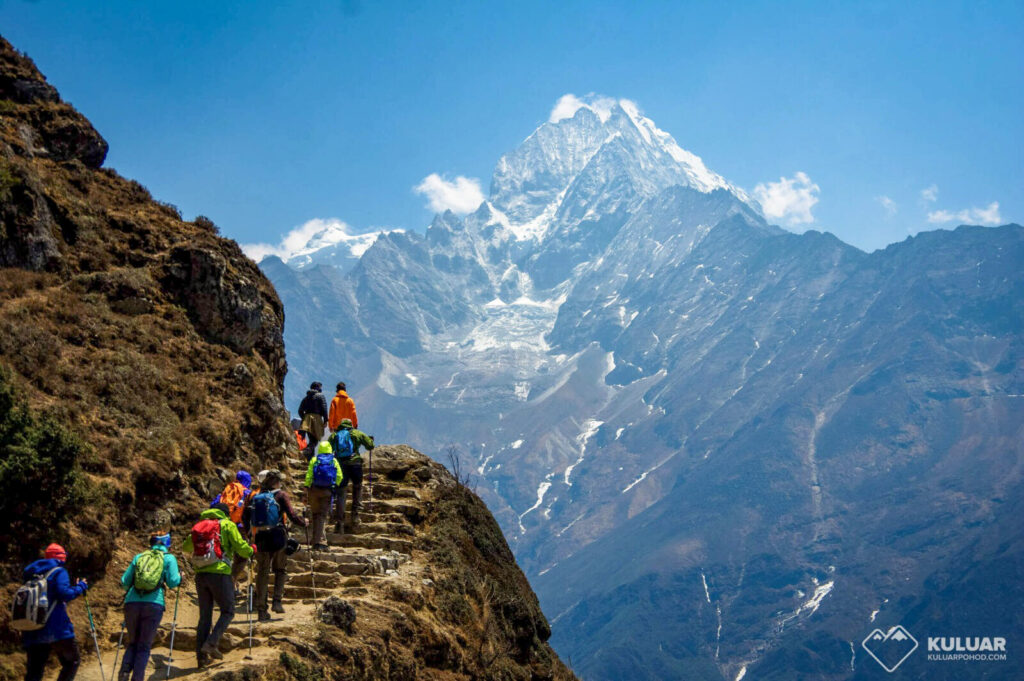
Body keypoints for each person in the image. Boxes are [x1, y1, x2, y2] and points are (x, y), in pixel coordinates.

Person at [182, 503, 255, 667]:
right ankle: (211, 643)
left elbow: (186, 546)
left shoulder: (199, 526)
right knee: (228, 611)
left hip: (200, 575)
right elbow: (240, 548)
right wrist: (251, 550)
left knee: (204, 617)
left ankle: (201, 658)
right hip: (220, 573)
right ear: (225, 514)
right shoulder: (227, 524)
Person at [242, 469, 306, 621]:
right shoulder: (281, 495)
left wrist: (249, 534)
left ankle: (262, 610)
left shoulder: (255, 496)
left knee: (263, 573)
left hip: (260, 538)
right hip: (278, 537)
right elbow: (292, 515)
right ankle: (277, 602)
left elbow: (245, 516)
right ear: (277, 481)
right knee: (280, 570)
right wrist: (304, 523)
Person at [117, 531, 181, 681]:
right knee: (144, 646)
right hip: (154, 604)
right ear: (167, 544)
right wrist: (180, 577)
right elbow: (172, 582)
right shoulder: (169, 558)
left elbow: (125, 581)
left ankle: (124, 673)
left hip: (132, 602)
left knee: (133, 642)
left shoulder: (139, 557)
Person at [19, 543, 88, 681]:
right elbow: (64, 594)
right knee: (72, 661)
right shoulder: (59, 571)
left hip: (33, 626)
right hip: (56, 628)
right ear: (61, 558)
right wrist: (81, 586)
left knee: (34, 671)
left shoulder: (31, 574)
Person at [209, 470, 254, 592]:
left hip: (221, 526)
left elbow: (213, 505)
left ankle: (220, 583)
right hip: (240, 528)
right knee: (242, 557)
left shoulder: (226, 491)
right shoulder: (247, 493)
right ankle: (232, 581)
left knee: (223, 554)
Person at [328, 418, 375, 534]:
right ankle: (355, 515)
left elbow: (329, 449)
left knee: (341, 492)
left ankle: (340, 522)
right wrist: (370, 440)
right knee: (358, 486)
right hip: (355, 464)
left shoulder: (335, 435)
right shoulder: (357, 433)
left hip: (341, 465)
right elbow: (370, 446)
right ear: (351, 425)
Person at [304, 440, 342, 551]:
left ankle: (316, 541)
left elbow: (309, 475)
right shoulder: (334, 461)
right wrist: (334, 485)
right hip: (327, 491)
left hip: (314, 490)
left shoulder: (314, 460)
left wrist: (306, 487)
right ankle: (318, 542)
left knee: (316, 515)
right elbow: (339, 476)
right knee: (322, 516)